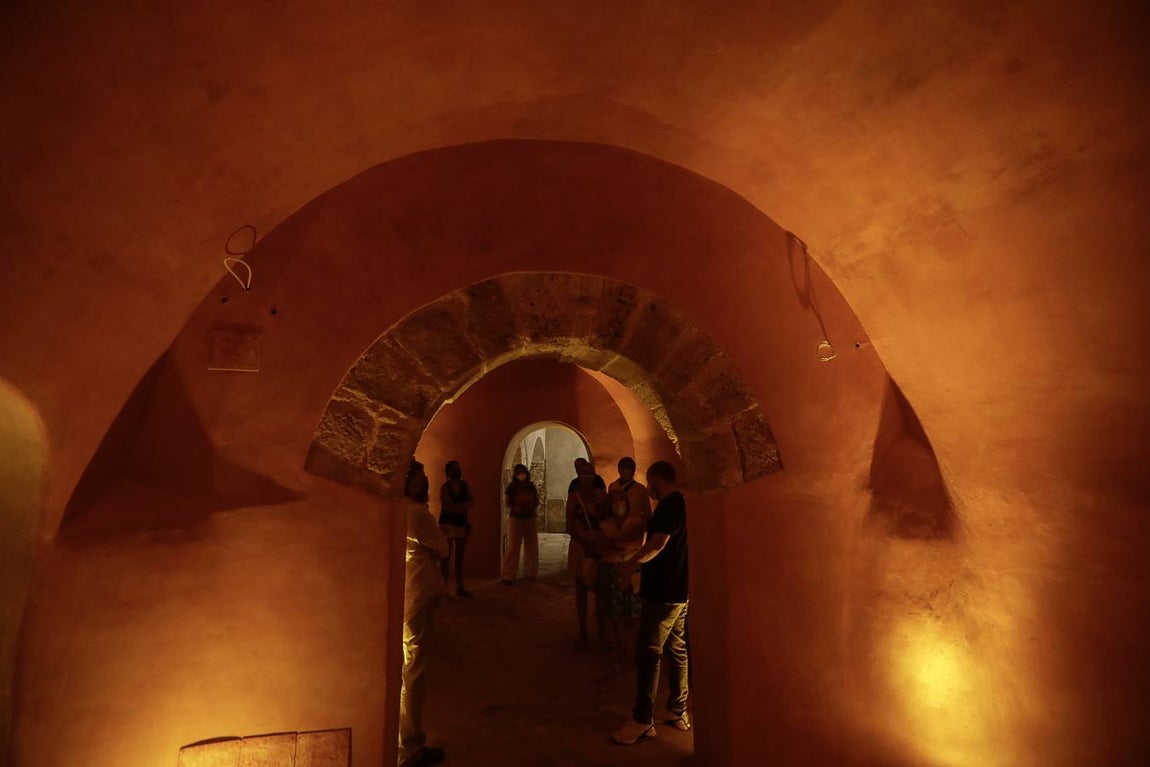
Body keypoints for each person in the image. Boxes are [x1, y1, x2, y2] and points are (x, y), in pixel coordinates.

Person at [612, 460, 691, 745]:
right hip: (679, 590)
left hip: (663, 592)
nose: (648, 487)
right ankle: (677, 710)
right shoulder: (679, 504)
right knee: (677, 650)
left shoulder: (670, 506)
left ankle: (643, 719)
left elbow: (657, 544)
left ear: (658, 479)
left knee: (648, 653)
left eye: (650, 481)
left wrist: (630, 564)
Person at [398, 460, 449, 767]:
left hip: (404, 594)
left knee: (405, 668)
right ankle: (410, 746)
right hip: (418, 595)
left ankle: (401, 740)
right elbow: (442, 548)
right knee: (414, 672)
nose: (426, 480)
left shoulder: (395, 508)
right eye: (421, 476)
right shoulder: (417, 513)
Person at [597, 457, 651, 667]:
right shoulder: (606, 521)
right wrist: (622, 546)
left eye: (621, 502)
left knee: (634, 612)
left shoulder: (639, 496)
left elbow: (635, 540)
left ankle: (635, 651)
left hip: (631, 566)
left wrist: (616, 544)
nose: (618, 504)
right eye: (614, 502)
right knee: (615, 612)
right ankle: (619, 650)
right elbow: (604, 545)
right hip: (614, 567)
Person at [565, 457, 608, 647]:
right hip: (582, 545)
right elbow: (570, 523)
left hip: (592, 543)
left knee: (600, 588)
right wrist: (584, 541)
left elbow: (605, 517)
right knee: (583, 587)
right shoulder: (575, 492)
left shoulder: (598, 492)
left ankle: (599, 630)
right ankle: (586, 631)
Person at [438, 460, 474, 598]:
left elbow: (471, 502)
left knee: (459, 557)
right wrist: (462, 507)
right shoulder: (445, 488)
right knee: (446, 557)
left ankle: (460, 587)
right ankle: (443, 589)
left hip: (461, 523)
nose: (457, 471)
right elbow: (449, 507)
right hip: (448, 524)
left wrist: (457, 508)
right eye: (454, 469)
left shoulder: (464, 485)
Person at [501, 463, 540, 583]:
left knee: (531, 546)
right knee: (514, 546)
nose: (521, 475)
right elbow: (508, 501)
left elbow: (536, 500)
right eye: (519, 473)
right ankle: (509, 574)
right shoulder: (512, 487)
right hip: (517, 518)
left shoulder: (530, 486)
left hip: (529, 518)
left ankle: (530, 572)